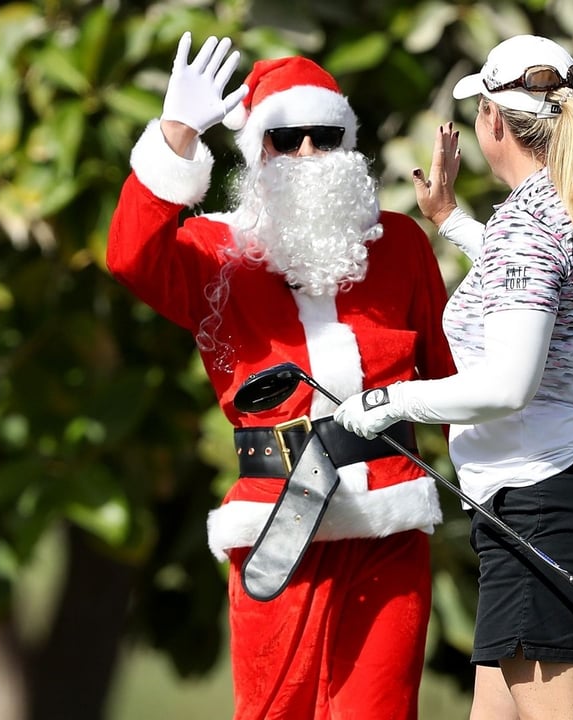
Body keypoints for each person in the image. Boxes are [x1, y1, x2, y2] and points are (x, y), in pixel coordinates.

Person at [105, 32, 456, 719]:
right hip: (278, 521)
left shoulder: (401, 244)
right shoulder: (217, 251)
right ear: (256, 150)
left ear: (348, 143)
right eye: (285, 138)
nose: (307, 153)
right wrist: (175, 135)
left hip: (391, 520)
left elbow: (452, 379)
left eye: (325, 136)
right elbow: (130, 258)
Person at [333, 34, 573, 720]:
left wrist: (389, 400)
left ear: (493, 121)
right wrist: (452, 222)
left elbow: (507, 386)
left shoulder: (528, 226)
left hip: (546, 508)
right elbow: (525, 279)